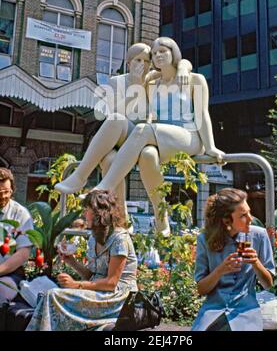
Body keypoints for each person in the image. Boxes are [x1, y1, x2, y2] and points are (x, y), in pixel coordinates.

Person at [93, 37, 225, 235]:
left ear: (174, 52)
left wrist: (211, 146)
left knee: (143, 129)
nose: (158, 55)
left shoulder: (194, 79)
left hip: (189, 136)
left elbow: (202, 114)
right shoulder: (152, 82)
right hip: (160, 137)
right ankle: (161, 218)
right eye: (154, 54)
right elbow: (129, 96)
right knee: (147, 155)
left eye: (163, 51)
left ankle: (105, 187)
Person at [55, 42, 192, 231]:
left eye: (146, 61)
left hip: (146, 138)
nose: (142, 65)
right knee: (113, 139)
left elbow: (176, 64)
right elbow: (111, 115)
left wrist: (184, 66)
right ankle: (112, 209)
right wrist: (134, 88)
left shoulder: (153, 79)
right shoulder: (117, 82)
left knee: (128, 153)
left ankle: (157, 217)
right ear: (128, 63)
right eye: (138, 60)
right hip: (122, 135)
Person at [26, 189, 138, 331]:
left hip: (118, 299)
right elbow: (91, 276)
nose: (84, 214)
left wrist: (75, 284)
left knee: (53, 295)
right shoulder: (93, 238)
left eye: (87, 210)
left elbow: (111, 283)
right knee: (47, 295)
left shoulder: (120, 239)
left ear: (99, 213)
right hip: (100, 294)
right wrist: (71, 261)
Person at [192, 188, 275, 331]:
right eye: (243, 215)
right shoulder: (204, 240)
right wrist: (220, 271)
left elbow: (268, 284)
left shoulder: (259, 236)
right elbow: (201, 289)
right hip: (213, 313)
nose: (250, 218)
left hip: (246, 314)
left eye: (249, 212)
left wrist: (256, 263)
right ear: (226, 220)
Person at [0, 168, 34, 304]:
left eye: (6, 192)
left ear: (12, 190)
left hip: (10, 274)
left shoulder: (21, 214)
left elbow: (23, 254)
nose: (2, 196)